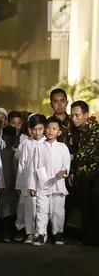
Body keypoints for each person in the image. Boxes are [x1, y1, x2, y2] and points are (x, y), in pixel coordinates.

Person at [29, 117, 71, 246]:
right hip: (43, 184)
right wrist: (32, 185)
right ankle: (41, 234)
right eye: (48, 128)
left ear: (59, 132)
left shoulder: (63, 147)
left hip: (58, 184)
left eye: (54, 128)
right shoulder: (39, 147)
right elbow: (33, 167)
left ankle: (58, 233)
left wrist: (63, 172)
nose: (50, 131)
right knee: (42, 210)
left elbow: (66, 164)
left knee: (58, 210)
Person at [13, 114, 47, 244]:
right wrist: (20, 184)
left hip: (43, 182)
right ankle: (29, 233)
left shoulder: (46, 143)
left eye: (39, 129)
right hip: (27, 181)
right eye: (34, 129)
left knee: (41, 208)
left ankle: (41, 233)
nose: (36, 132)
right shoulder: (26, 143)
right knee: (27, 207)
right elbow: (21, 163)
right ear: (29, 129)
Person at [69, 101, 99, 244]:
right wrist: (73, 169)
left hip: (95, 172)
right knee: (84, 204)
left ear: (86, 115)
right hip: (82, 172)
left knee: (94, 201)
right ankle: (88, 236)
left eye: (77, 115)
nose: (74, 118)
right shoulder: (75, 131)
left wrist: (70, 157)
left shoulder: (95, 129)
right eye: (72, 115)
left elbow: (88, 150)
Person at [0, 126, 19, 242]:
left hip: (16, 184)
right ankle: (5, 232)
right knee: (4, 208)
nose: (10, 139)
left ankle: (12, 231)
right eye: (7, 137)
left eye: (12, 137)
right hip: (4, 184)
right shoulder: (0, 153)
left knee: (15, 208)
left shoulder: (18, 152)